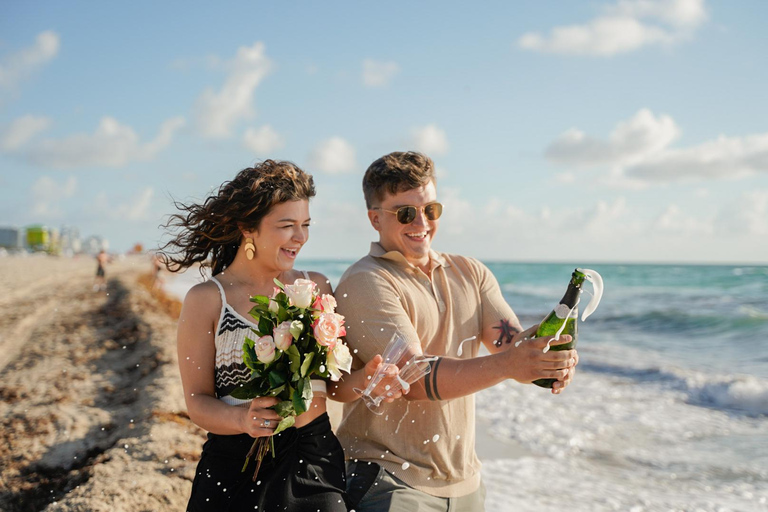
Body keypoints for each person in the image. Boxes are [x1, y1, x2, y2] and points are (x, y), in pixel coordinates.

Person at [334, 151, 580, 511]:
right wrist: (509, 365)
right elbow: (413, 380)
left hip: (466, 483)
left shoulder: (471, 272)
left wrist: (548, 357)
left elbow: (510, 345)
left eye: (431, 210)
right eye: (406, 213)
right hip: (387, 480)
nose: (422, 221)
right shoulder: (365, 281)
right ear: (375, 219)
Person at [161, 160, 399, 512]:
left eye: (304, 225)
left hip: (313, 457)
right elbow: (197, 401)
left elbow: (334, 386)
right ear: (247, 228)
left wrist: (368, 380)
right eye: (287, 225)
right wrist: (241, 419)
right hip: (234, 465)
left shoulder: (316, 287)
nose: (300, 237)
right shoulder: (208, 300)